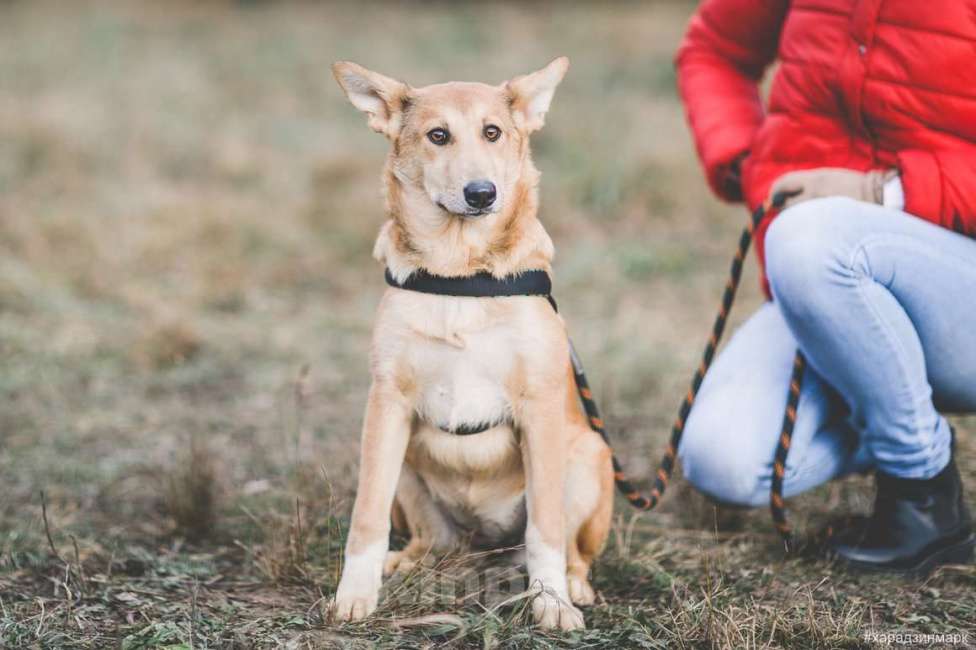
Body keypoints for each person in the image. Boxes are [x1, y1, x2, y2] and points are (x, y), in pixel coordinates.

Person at [674, 0, 975, 572]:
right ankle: (888, 404)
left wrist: (881, 194)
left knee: (811, 237)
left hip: (954, 283)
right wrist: (747, 159)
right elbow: (713, 50)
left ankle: (923, 490)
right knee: (723, 462)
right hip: (828, 283)